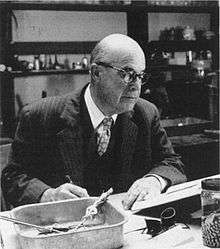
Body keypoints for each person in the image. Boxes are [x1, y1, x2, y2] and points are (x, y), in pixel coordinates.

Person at [1, 34, 186, 210]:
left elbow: (171, 162)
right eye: (127, 74)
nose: (136, 86)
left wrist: (154, 180)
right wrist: (48, 195)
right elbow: (12, 178)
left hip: (127, 227)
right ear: (96, 73)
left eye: (140, 76)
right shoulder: (40, 116)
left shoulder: (146, 113)